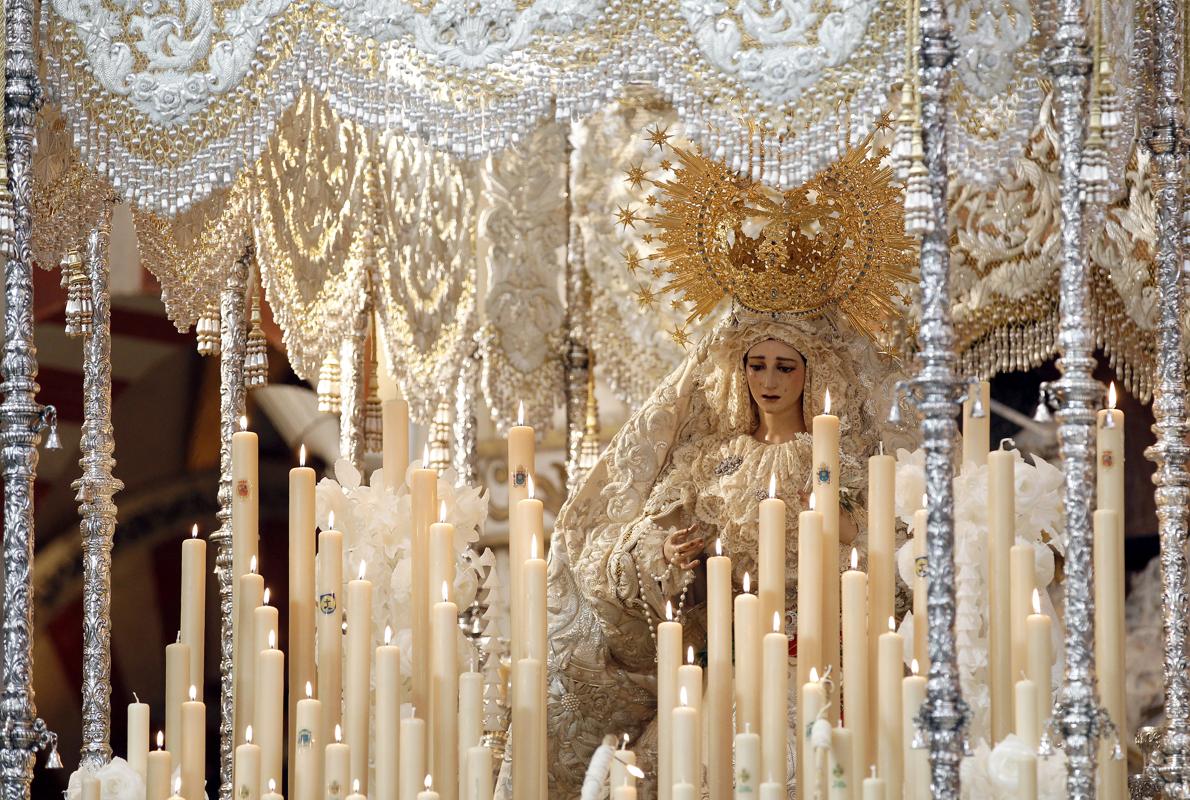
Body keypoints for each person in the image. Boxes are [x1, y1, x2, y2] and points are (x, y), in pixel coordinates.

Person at [527, 307, 908, 799]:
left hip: (830, 657)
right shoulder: (712, 461)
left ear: (812, 371)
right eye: (757, 364)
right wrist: (665, 553)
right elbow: (639, 538)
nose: (768, 380)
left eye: (785, 366)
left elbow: (893, 548)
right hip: (734, 661)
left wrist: (846, 528)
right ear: (740, 368)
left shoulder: (840, 462)